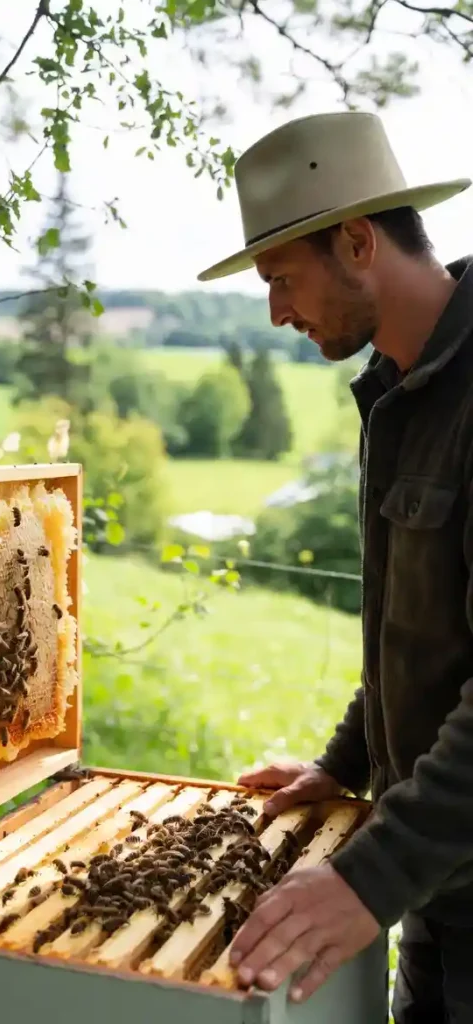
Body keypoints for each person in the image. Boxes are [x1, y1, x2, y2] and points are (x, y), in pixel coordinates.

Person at [197, 110, 473, 1023]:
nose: (275, 312)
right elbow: (416, 626)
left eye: (280, 278)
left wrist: (370, 876)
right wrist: (344, 763)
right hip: (437, 898)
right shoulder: (398, 392)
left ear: (356, 241)